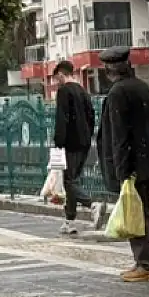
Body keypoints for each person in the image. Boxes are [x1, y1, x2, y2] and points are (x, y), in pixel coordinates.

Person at [96, 46, 149, 282]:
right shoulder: (141, 87)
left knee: (135, 213)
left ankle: (146, 263)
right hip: (147, 163)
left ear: (108, 70)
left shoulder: (117, 93)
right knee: (142, 211)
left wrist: (122, 170)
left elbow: (119, 136)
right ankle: (147, 260)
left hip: (132, 166)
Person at [50, 60, 95, 234]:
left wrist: (58, 143)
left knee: (69, 180)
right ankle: (69, 221)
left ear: (61, 74)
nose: (56, 82)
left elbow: (62, 119)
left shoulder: (64, 92)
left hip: (70, 143)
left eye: (56, 78)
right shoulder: (83, 91)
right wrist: (88, 136)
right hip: (84, 142)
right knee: (72, 181)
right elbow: (91, 116)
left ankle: (92, 204)